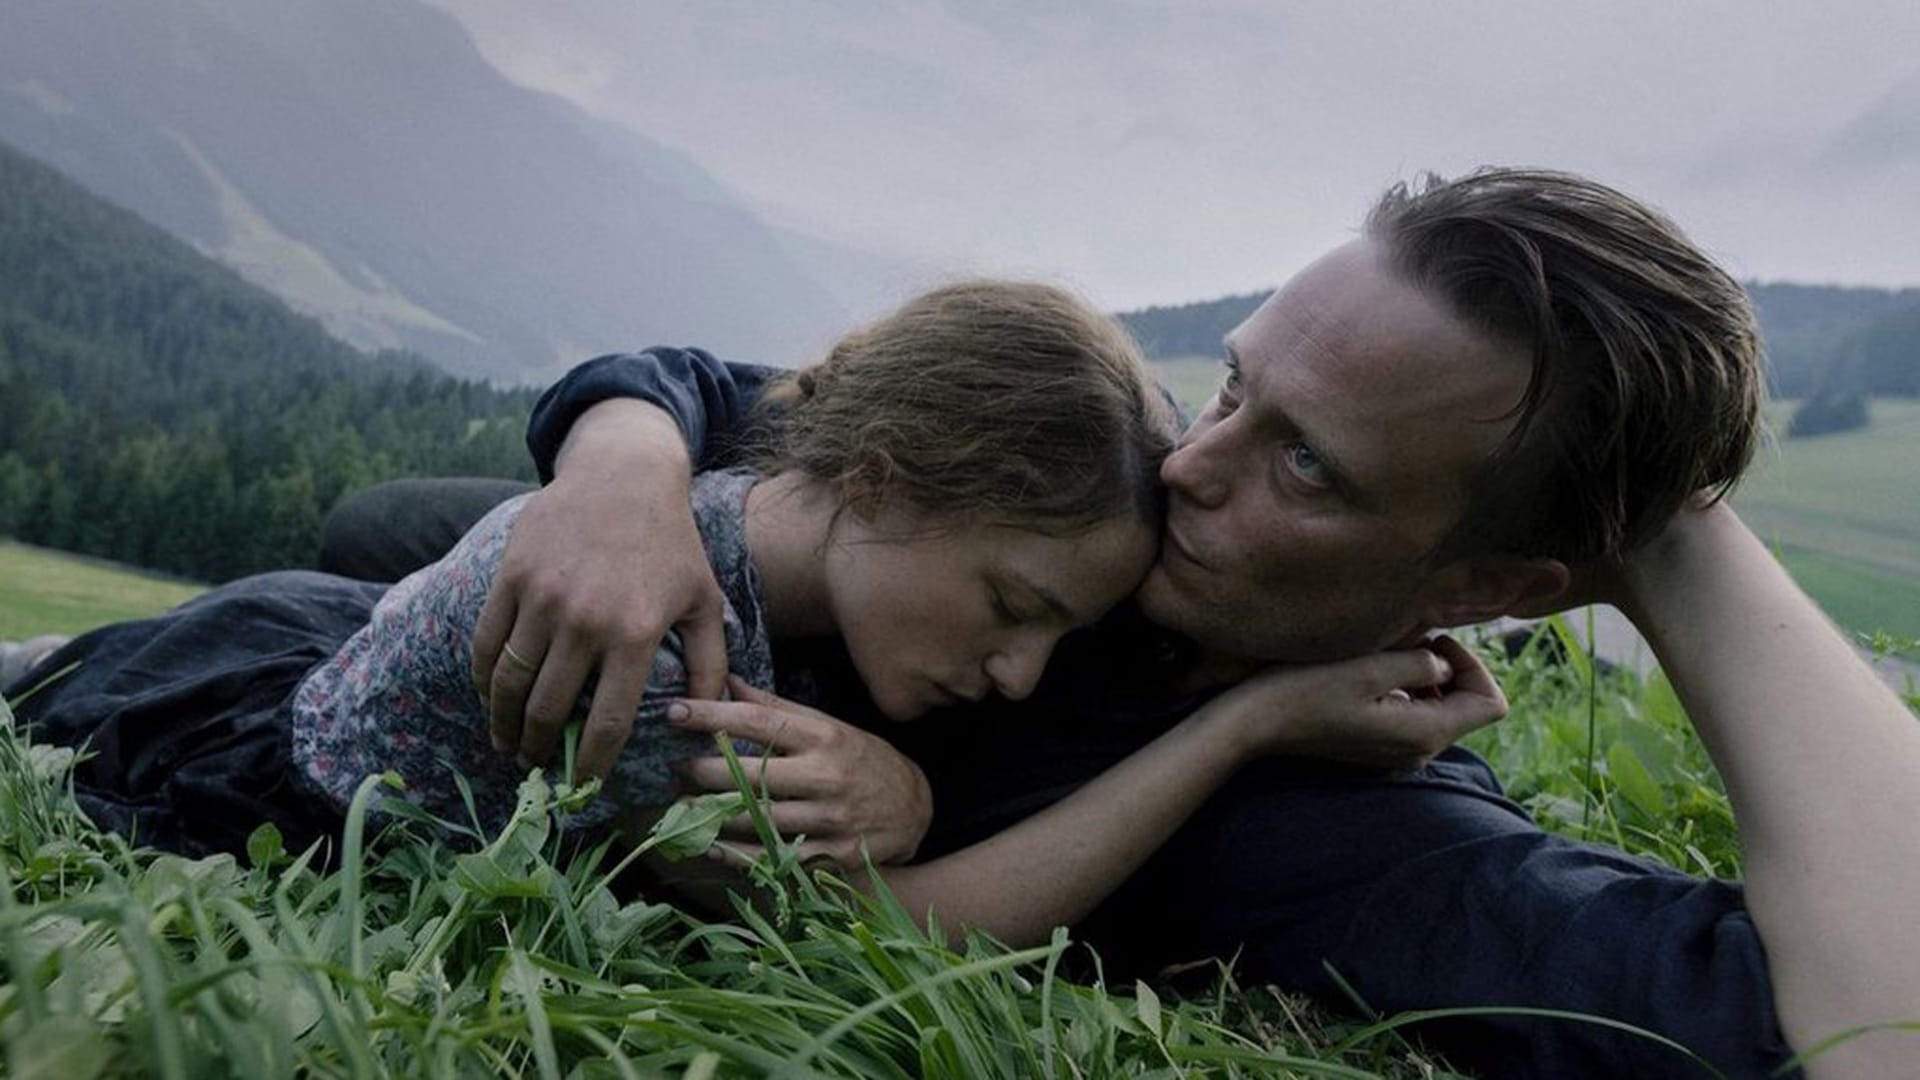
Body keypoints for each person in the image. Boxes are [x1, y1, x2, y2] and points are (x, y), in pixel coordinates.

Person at [323, 168, 1920, 1077]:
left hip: (518, 765)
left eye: (1305, 462)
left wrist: (1678, 542)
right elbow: (766, 400)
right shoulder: (1138, 488)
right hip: (585, 627)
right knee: (388, 524)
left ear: (1485, 595)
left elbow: (1886, 1032)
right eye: (1237, 383)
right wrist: (617, 465)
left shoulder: (1367, 826)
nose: (1194, 465)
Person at [5, 281, 1506, 946]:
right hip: (221, 730)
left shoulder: (762, 508)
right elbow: (893, 942)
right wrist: (1243, 727)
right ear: (887, 471)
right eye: (1011, 605)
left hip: (297, 631)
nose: (1018, 669)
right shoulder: (667, 661)